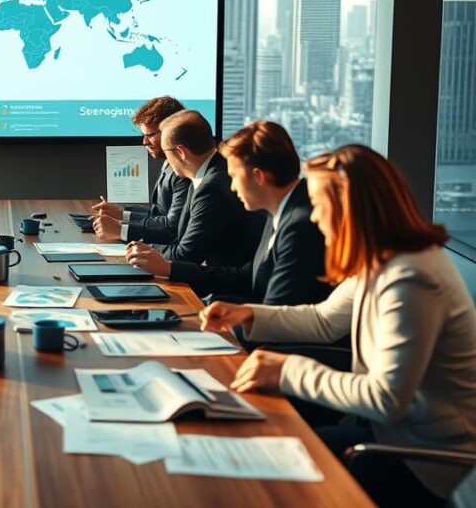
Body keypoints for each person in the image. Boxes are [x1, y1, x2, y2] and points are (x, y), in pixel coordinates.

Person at [200, 145, 476, 506]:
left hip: (419, 459)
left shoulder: (412, 277)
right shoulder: (382, 260)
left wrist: (288, 370)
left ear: (350, 211)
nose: (314, 218)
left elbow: (386, 399)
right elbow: (324, 320)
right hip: (381, 432)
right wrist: (248, 314)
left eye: (320, 206)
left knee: (265, 470)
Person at [127, 120, 329, 306]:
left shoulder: (300, 225)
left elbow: (277, 311)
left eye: (234, 176)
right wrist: (172, 270)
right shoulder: (281, 211)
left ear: (258, 177)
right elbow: (247, 276)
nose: (231, 187)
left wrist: (222, 322)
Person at [126, 109, 264, 271]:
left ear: (181, 152)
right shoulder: (203, 173)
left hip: (224, 284)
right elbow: (180, 237)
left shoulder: (212, 187)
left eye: (166, 151)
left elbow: (186, 255)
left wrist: (138, 252)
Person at [91, 96, 189, 243]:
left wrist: (121, 230)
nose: (144, 142)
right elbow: (160, 216)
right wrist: (122, 214)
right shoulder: (169, 162)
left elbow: (171, 228)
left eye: (149, 135)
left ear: (171, 131)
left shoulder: (185, 171)